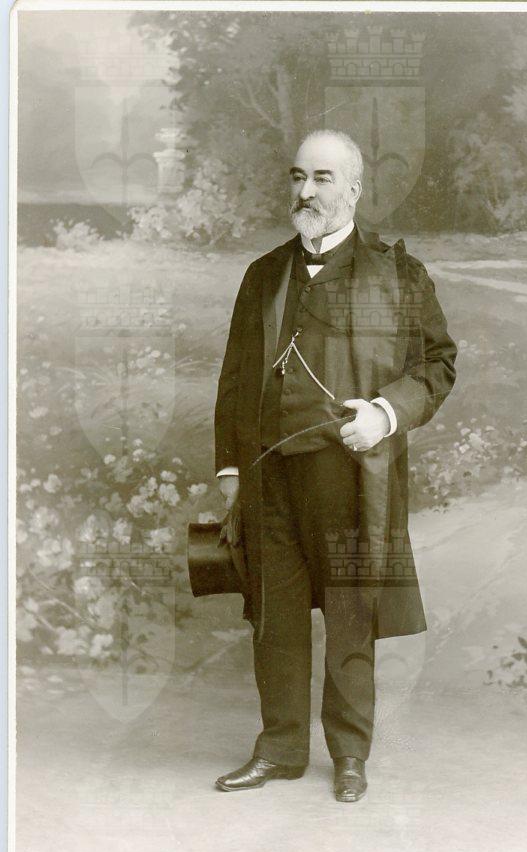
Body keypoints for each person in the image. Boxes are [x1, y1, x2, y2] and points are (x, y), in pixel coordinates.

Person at [214, 128, 456, 802]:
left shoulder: (398, 274)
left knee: (351, 616)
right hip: (268, 477)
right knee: (275, 615)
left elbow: (436, 366)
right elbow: (235, 378)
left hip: (351, 477)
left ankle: (349, 755)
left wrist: (384, 413)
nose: (306, 191)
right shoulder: (264, 274)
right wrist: (230, 469)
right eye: (298, 176)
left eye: (322, 178)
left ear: (353, 189)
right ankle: (280, 749)